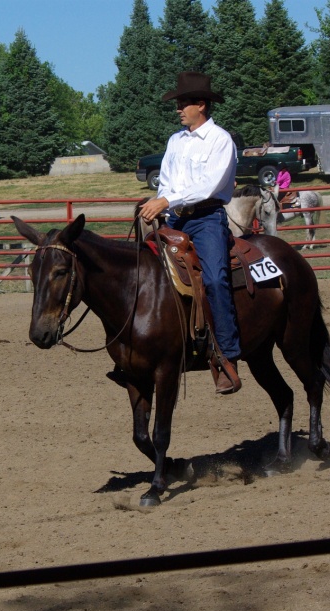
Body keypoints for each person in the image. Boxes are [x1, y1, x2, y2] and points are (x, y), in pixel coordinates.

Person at [139, 71, 242, 394]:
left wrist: (167, 200)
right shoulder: (176, 141)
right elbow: (166, 180)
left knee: (214, 278)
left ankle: (227, 356)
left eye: (184, 103)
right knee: (146, 275)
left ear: (201, 104)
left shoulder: (220, 140)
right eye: (179, 103)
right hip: (175, 219)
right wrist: (157, 203)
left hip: (207, 218)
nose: (179, 109)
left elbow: (208, 184)